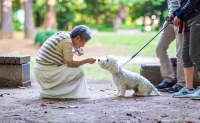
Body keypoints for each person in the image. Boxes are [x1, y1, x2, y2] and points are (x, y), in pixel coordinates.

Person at [34, 25, 96, 99]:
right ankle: (54, 93)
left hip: (41, 70)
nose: (83, 45)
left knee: (73, 69)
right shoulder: (67, 42)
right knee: (78, 71)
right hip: (45, 73)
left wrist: (74, 52)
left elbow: (59, 52)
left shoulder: (64, 36)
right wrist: (87, 60)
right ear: (78, 38)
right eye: (84, 42)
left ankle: (52, 92)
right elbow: (70, 64)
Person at [171, 0, 200, 99]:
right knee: (185, 55)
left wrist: (179, 15)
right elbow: (185, 3)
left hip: (197, 17)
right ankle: (189, 88)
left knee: (195, 54)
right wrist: (174, 14)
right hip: (188, 19)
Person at [155, 0, 185, 93]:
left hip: (181, 19)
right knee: (160, 48)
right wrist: (170, 15)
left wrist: (178, 15)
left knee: (181, 53)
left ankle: (182, 84)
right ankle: (169, 80)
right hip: (170, 20)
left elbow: (187, 4)